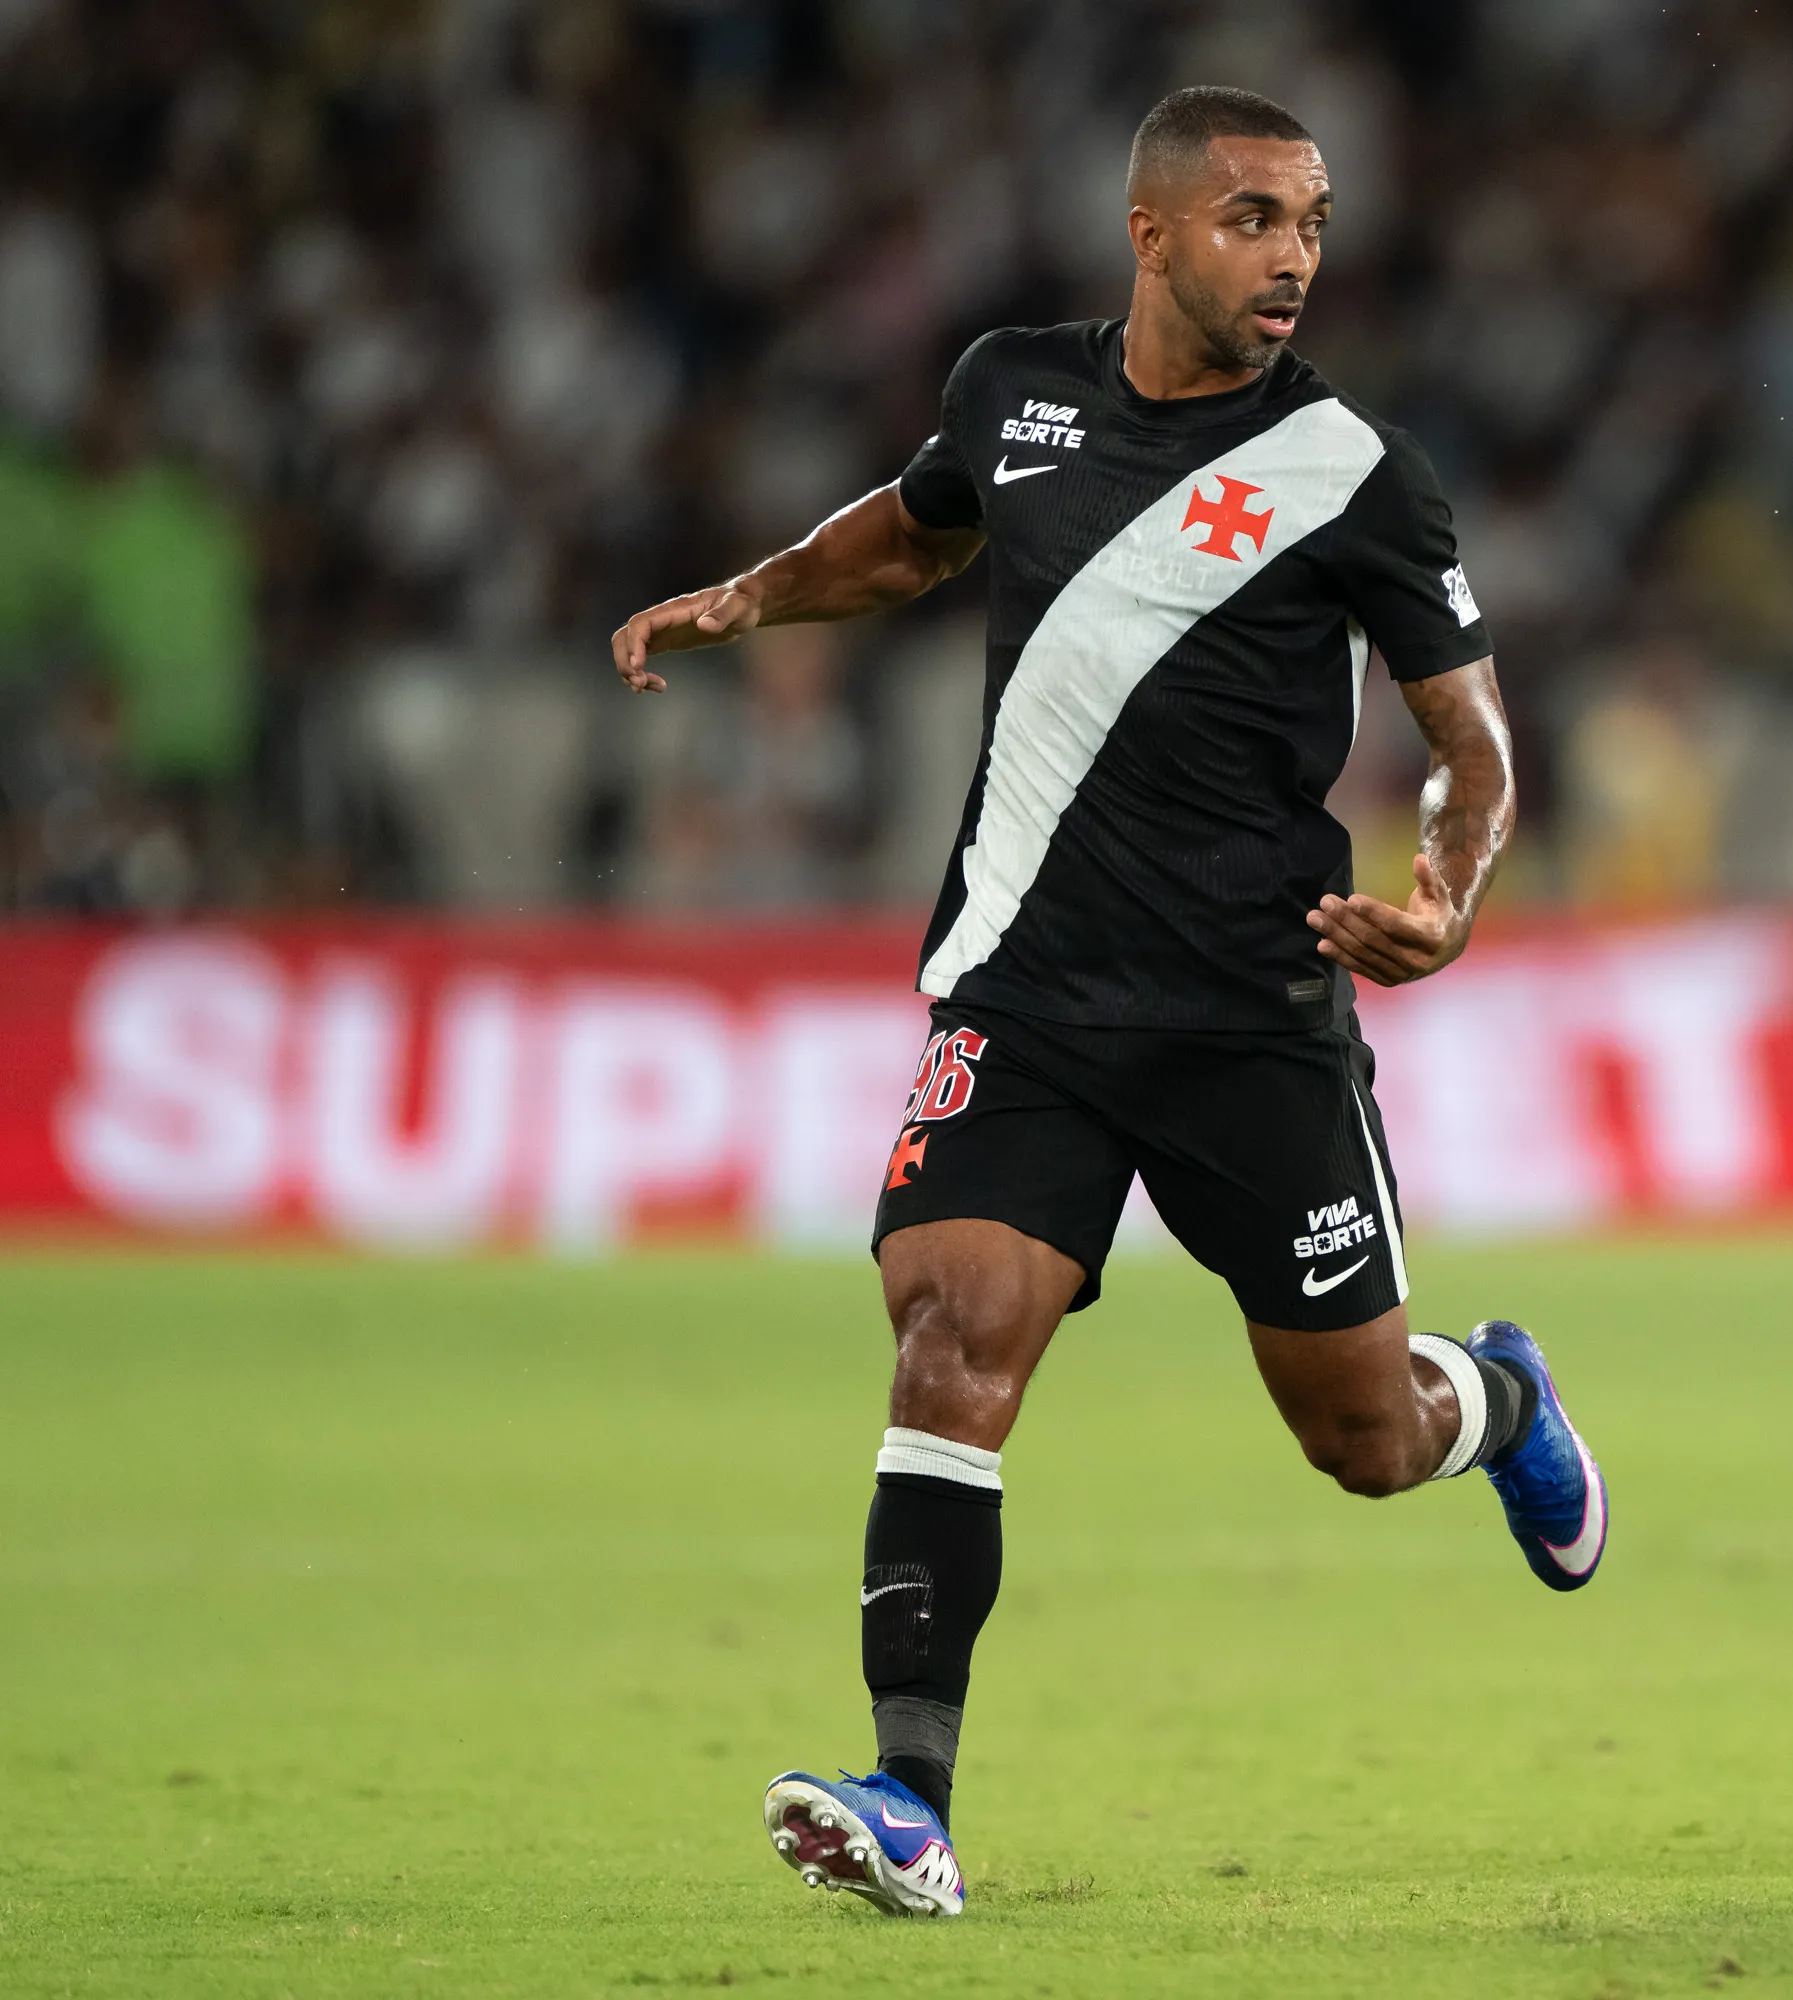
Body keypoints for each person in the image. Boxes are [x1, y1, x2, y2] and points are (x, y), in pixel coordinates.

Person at [608, 86, 1606, 1920]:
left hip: (1252, 1012)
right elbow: (914, 534)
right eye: (1250, 217)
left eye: (1310, 218)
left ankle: (1502, 1398)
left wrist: (1450, 898)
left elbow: (1469, 738)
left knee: (1362, 1439)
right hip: (1030, 993)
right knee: (948, 1342)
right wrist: (752, 598)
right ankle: (912, 1801)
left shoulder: (1354, 474)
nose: (1294, 251)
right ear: (1150, 235)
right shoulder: (1016, 389)